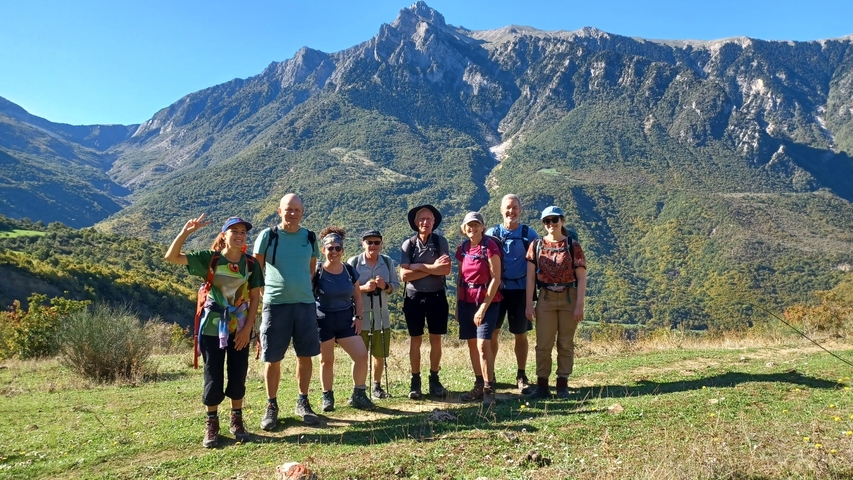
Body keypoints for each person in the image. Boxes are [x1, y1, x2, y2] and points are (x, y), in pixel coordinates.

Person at [164, 214, 263, 448]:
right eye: (234, 231)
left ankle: (236, 420)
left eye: (243, 232)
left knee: (238, 372)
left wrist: (248, 328)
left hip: (239, 325)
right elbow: (172, 257)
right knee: (213, 374)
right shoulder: (210, 259)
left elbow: (256, 296)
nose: (239, 235)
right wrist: (186, 231)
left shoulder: (250, 264)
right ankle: (212, 423)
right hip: (211, 327)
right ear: (224, 235)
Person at [253, 194, 321, 430]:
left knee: (306, 355)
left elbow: (311, 271)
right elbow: (256, 268)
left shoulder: (310, 237)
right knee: (272, 358)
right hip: (276, 305)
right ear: (279, 211)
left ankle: (303, 401)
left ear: (303, 212)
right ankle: (271, 405)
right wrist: (263, 293)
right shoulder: (268, 236)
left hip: (304, 303)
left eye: (297, 209)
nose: (292, 213)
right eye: (288, 209)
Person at [525, 206, 587, 399]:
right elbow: (530, 279)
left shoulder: (572, 245)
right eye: (546, 221)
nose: (550, 224)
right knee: (543, 344)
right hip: (545, 297)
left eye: (554, 220)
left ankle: (562, 384)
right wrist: (529, 303)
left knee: (565, 343)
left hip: (569, 296)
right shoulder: (536, 245)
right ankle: (542, 384)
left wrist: (579, 305)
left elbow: (582, 277)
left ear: (562, 221)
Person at [313, 227, 375, 411]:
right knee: (326, 360)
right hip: (323, 320)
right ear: (323, 250)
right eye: (330, 248)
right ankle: (327, 396)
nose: (334, 252)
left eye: (337, 248)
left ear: (342, 250)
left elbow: (357, 296)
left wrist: (359, 317)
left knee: (361, 355)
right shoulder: (317, 271)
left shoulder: (349, 270)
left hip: (346, 319)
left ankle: (359, 394)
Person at [485, 194, 539, 394]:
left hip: (520, 290)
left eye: (515, 207)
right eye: (508, 207)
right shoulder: (492, 233)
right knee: (493, 334)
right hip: (497, 290)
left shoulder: (529, 234)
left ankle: (521, 375)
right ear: (501, 210)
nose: (511, 211)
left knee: (520, 334)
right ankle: (491, 375)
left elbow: (538, 263)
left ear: (521, 210)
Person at [399, 204, 451, 399]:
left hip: (437, 296)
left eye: (429, 219)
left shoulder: (440, 242)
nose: (425, 222)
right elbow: (404, 275)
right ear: (415, 222)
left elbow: (445, 270)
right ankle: (415, 381)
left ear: (434, 222)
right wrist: (430, 266)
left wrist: (417, 268)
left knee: (435, 339)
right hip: (414, 298)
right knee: (416, 340)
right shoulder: (409, 244)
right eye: (422, 219)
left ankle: (434, 379)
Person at [455, 212, 503, 407]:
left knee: (483, 345)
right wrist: (458, 306)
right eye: (469, 225)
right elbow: (460, 279)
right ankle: (478, 384)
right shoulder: (463, 249)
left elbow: (496, 278)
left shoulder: (490, 247)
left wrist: (483, 307)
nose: (472, 228)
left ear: (483, 227)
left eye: (476, 225)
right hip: (466, 301)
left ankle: (488, 389)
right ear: (464, 229)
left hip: (488, 301)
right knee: (472, 345)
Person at [347, 229, 400, 400]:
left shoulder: (387, 262)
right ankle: (358, 389)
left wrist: (385, 286)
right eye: (369, 242)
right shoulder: (353, 262)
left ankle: (376, 386)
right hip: (360, 319)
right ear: (362, 244)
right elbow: (346, 289)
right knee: (358, 355)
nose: (373, 245)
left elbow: (396, 286)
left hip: (381, 317)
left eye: (377, 242)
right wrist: (363, 288)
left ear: (381, 244)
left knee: (380, 354)